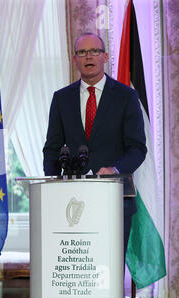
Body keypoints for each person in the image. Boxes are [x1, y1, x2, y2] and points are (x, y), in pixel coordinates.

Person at [42, 32, 147, 254]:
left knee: (109, 268)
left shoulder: (126, 96)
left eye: (94, 51)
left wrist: (115, 170)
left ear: (105, 56)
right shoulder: (61, 98)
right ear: (74, 59)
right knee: (78, 266)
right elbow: (52, 149)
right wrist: (53, 185)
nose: (88, 56)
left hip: (114, 197)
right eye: (82, 52)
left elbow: (137, 148)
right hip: (70, 201)